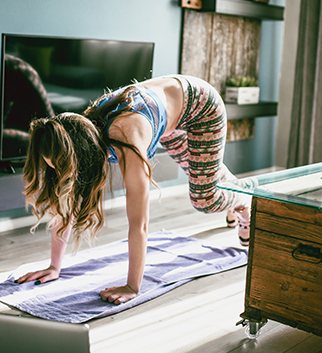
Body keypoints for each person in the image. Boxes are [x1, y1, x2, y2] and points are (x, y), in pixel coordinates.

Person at [15, 75, 254, 305]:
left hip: (200, 106)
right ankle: (227, 191)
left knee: (204, 198)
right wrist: (54, 267)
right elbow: (65, 200)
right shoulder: (79, 133)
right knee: (203, 174)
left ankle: (243, 198)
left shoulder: (127, 139)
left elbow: (139, 224)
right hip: (169, 113)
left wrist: (132, 287)